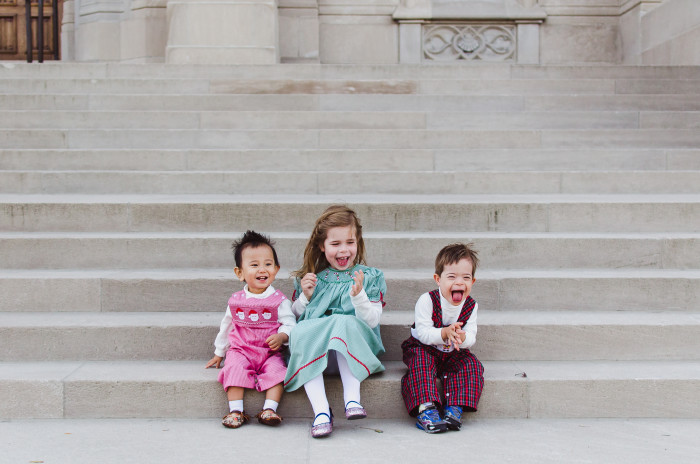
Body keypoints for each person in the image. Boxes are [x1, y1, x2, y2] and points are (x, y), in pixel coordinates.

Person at [284, 205, 386, 438]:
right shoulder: (311, 279)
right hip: (319, 355)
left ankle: (352, 399)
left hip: (355, 351)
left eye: (350, 242)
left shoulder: (368, 277)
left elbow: (371, 321)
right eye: (335, 244)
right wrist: (305, 297)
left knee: (342, 321)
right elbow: (296, 316)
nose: (344, 250)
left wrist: (358, 296)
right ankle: (321, 412)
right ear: (322, 246)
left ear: (358, 242)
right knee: (300, 331)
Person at [205, 230, 296, 428]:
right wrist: (219, 352)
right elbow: (227, 325)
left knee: (278, 373)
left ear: (276, 269)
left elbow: (291, 323)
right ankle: (236, 411)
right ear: (240, 273)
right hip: (241, 350)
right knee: (233, 369)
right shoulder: (236, 301)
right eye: (254, 265)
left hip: (269, 352)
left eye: (268, 264)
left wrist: (282, 336)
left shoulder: (279, 301)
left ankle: (269, 409)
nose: (262, 269)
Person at [400, 243, 484, 433]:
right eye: (452, 277)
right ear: (438, 279)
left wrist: (462, 338)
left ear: (473, 281)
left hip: (453, 352)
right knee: (420, 364)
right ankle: (426, 409)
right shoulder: (427, 300)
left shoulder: (471, 306)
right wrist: (444, 333)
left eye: (466, 277)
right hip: (424, 347)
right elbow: (423, 332)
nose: (459, 282)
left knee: (471, 365)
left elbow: (471, 336)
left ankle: (454, 407)